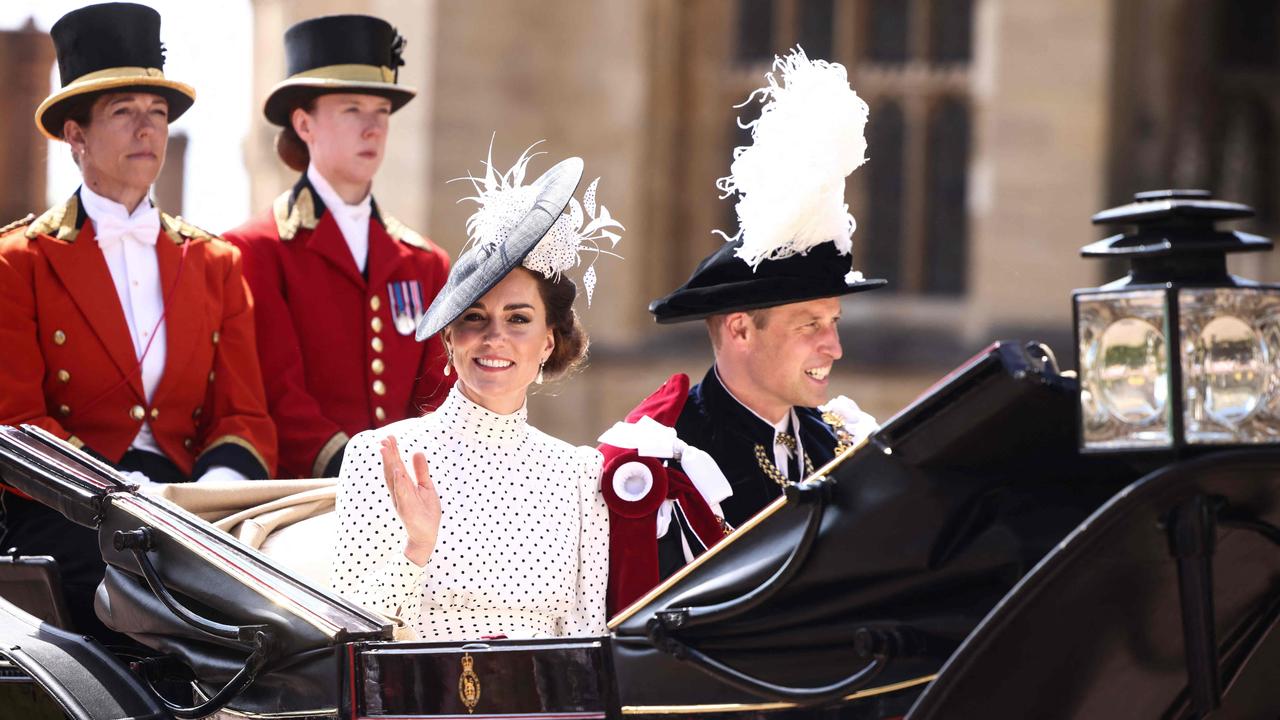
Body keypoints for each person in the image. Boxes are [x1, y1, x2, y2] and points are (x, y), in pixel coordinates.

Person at [0, 3, 275, 637]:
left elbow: (244, 414)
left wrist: (213, 495)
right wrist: (114, 492)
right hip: (69, 510)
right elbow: (16, 421)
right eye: (123, 113)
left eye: (156, 115)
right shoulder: (20, 261)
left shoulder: (215, 263)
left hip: (196, 508)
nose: (146, 130)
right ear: (76, 136)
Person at [601, 48, 882, 613]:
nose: (834, 347)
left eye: (834, 322)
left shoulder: (840, 440)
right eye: (811, 325)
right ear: (740, 330)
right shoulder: (667, 458)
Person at [330, 145, 622, 640]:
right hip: (421, 703)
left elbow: (585, 635)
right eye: (474, 319)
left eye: (519, 319)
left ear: (548, 340)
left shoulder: (580, 473)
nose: (495, 338)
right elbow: (346, 630)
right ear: (449, 338)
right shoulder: (379, 454)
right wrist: (417, 547)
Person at [222, 14, 451, 480]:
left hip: (417, 496)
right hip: (304, 497)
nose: (373, 128)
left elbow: (438, 394)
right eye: (352, 109)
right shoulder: (255, 250)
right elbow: (277, 392)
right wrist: (361, 472)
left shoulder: (425, 262)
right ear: (304, 124)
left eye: (382, 113)